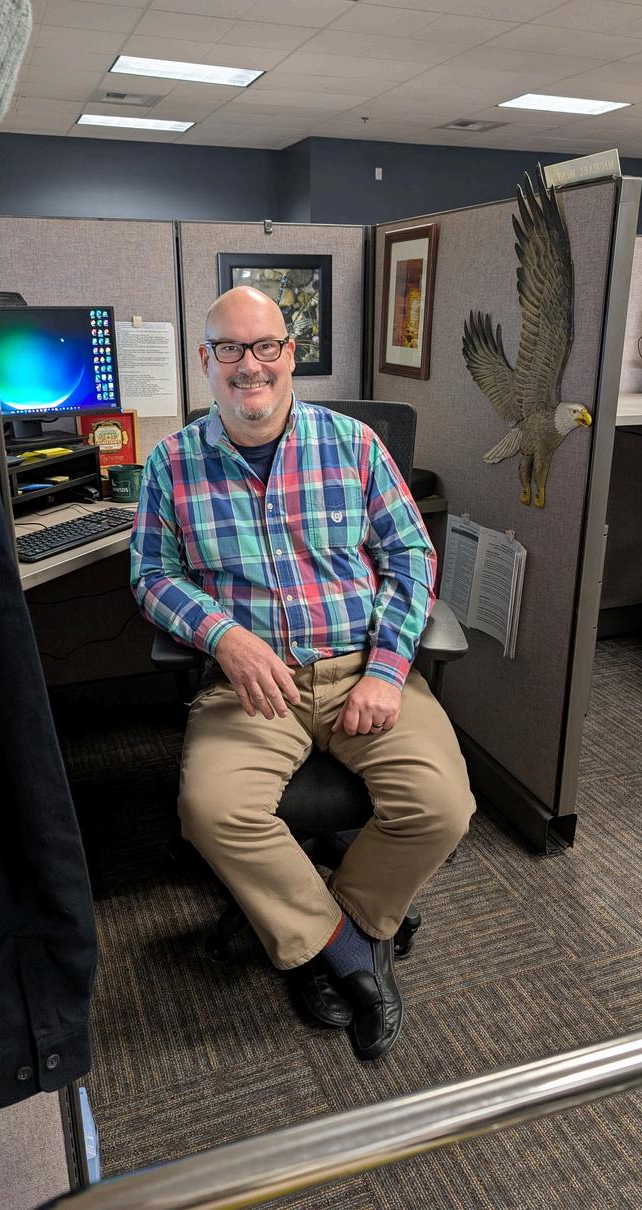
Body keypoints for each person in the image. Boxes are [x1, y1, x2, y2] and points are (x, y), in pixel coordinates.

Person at [130, 286, 475, 1060]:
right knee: (212, 812)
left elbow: (411, 557)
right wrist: (223, 636)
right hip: (252, 685)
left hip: (361, 668)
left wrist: (386, 669)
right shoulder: (171, 463)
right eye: (230, 349)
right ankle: (349, 954)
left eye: (265, 346)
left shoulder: (352, 444)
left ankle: (339, 928)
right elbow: (151, 575)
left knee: (442, 807)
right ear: (205, 359)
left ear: (290, 354)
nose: (249, 365)